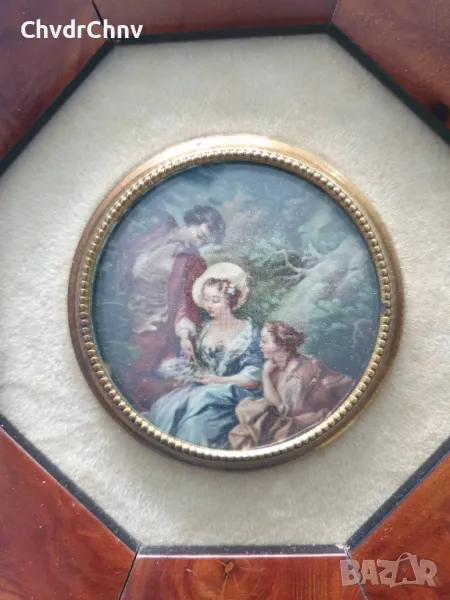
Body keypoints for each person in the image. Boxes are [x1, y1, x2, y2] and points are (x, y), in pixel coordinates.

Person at [147, 263, 264, 449]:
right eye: (206, 299)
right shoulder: (204, 329)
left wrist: (217, 380)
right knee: (166, 406)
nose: (209, 305)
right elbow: (196, 364)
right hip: (204, 388)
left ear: (231, 300)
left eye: (215, 300)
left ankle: (193, 452)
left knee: (200, 406)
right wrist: (189, 356)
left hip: (234, 391)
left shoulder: (250, 332)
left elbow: (253, 379)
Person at [119, 205, 226, 408]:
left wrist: (185, 333)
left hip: (154, 321)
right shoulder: (158, 227)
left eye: (205, 242)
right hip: (123, 309)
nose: (199, 242)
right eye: (201, 234)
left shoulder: (193, 262)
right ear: (194, 221)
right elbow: (124, 250)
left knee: (145, 370)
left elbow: (187, 302)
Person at [229, 321, 354, 449]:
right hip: (287, 420)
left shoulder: (300, 373)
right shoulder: (273, 368)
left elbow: (285, 412)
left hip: (304, 424)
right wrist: (266, 375)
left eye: (265, 341)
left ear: (281, 345)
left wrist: (266, 377)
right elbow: (271, 404)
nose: (260, 345)